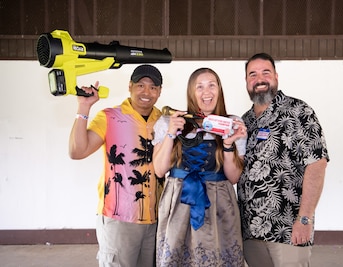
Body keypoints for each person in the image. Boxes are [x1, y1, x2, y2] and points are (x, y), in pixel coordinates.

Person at [237, 53, 330, 267]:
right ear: (246, 82)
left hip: (287, 231)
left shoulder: (299, 112)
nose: (259, 79)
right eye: (253, 74)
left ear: (276, 77)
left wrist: (304, 219)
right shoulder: (245, 121)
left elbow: (317, 164)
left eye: (265, 72)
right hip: (251, 232)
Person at [69, 64, 165, 267]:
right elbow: (77, 151)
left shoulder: (164, 121)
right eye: (140, 85)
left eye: (153, 87)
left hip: (156, 221)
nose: (146, 92)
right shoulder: (110, 116)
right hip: (119, 219)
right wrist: (84, 108)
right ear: (130, 86)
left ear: (159, 92)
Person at [152, 68, 247, 266]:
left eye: (212, 85)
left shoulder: (232, 124)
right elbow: (160, 170)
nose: (207, 92)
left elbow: (234, 177)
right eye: (200, 86)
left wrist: (228, 144)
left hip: (218, 203)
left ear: (219, 90)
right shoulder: (171, 121)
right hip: (179, 201)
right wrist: (171, 133)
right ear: (191, 92)